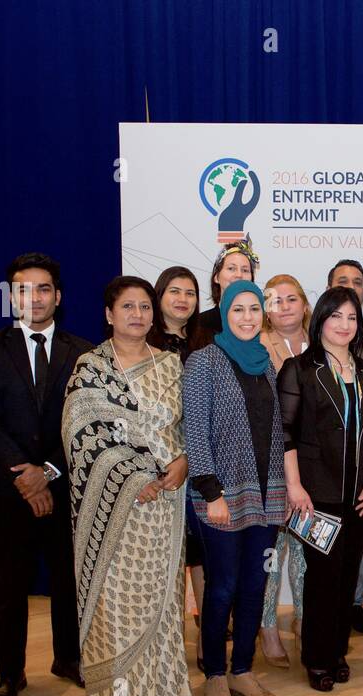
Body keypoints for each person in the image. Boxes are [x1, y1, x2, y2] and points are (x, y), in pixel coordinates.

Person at [62, 276, 196, 696]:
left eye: (144, 307)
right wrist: (133, 478)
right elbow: (81, 439)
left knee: (163, 601)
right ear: (108, 314)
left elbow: (189, 427)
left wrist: (182, 462)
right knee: (118, 603)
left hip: (166, 504)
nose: (138, 315)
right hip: (115, 506)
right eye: (128, 307)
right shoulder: (90, 368)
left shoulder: (172, 365)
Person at [0, 252, 92, 696]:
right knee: (10, 585)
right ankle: (9, 673)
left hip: (65, 488)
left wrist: (50, 472)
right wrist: (25, 475)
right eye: (24, 288)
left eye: (43, 289)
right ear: (10, 295)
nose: (34, 297)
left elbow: (86, 423)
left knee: (67, 580)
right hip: (8, 489)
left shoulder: (83, 352)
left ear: (58, 297)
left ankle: (69, 659)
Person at [184, 280, 288, 696]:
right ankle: (214, 675)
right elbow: (194, 430)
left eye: (253, 309)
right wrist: (212, 492)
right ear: (224, 313)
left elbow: (277, 434)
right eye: (237, 309)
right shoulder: (203, 361)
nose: (246, 317)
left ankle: (243, 670)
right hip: (223, 496)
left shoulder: (266, 364)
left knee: (255, 585)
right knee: (222, 587)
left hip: (267, 498)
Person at [279, 287, 363, 691]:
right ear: (321, 319)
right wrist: (294, 487)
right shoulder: (298, 370)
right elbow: (285, 434)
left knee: (346, 578)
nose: (345, 325)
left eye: (352, 318)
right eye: (336, 316)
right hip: (317, 495)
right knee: (323, 579)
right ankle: (317, 658)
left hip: (360, 495)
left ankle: (338, 651)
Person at [149, 266, 208, 659]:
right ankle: (165, 644)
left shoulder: (207, 344)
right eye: (174, 291)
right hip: (157, 465)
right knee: (164, 557)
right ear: (159, 296)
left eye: (190, 293)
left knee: (202, 554)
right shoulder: (142, 343)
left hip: (201, 460)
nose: (183, 299)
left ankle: (207, 640)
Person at [256, 274, 312, 665]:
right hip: (271, 468)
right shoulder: (257, 347)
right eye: (276, 301)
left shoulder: (324, 342)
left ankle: (306, 623)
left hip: (314, 466)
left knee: (308, 554)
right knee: (272, 556)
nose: (285, 306)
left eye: (293, 299)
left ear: (306, 305)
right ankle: (268, 627)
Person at [328, 259, 363, 634]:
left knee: (353, 555)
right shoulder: (308, 365)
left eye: (357, 282)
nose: (351, 287)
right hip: (320, 480)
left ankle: (352, 607)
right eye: (342, 283)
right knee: (323, 569)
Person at [198, 240, 259, 344]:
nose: (239, 275)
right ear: (216, 277)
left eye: (245, 270)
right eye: (231, 268)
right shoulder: (199, 325)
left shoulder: (260, 324)